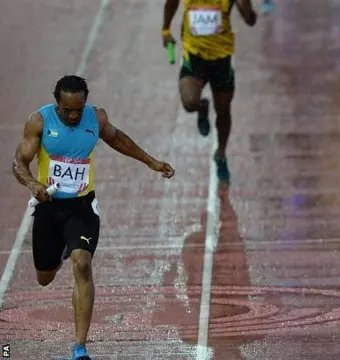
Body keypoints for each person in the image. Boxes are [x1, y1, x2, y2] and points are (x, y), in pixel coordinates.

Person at [11, 75, 175, 360]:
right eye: (67, 110)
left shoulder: (95, 118)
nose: (74, 115)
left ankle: (79, 347)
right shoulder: (39, 121)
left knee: (83, 263)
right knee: (44, 278)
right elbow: (19, 163)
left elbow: (117, 139)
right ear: (56, 104)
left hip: (82, 207)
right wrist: (32, 184)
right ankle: (63, 248)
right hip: (49, 209)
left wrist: (152, 162)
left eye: (78, 109)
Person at [162, 0, 257, 184]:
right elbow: (171, 2)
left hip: (221, 58)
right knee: (189, 102)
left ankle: (221, 153)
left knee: (223, 110)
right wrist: (165, 30)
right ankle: (202, 107)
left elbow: (250, 20)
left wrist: (246, 7)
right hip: (194, 55)